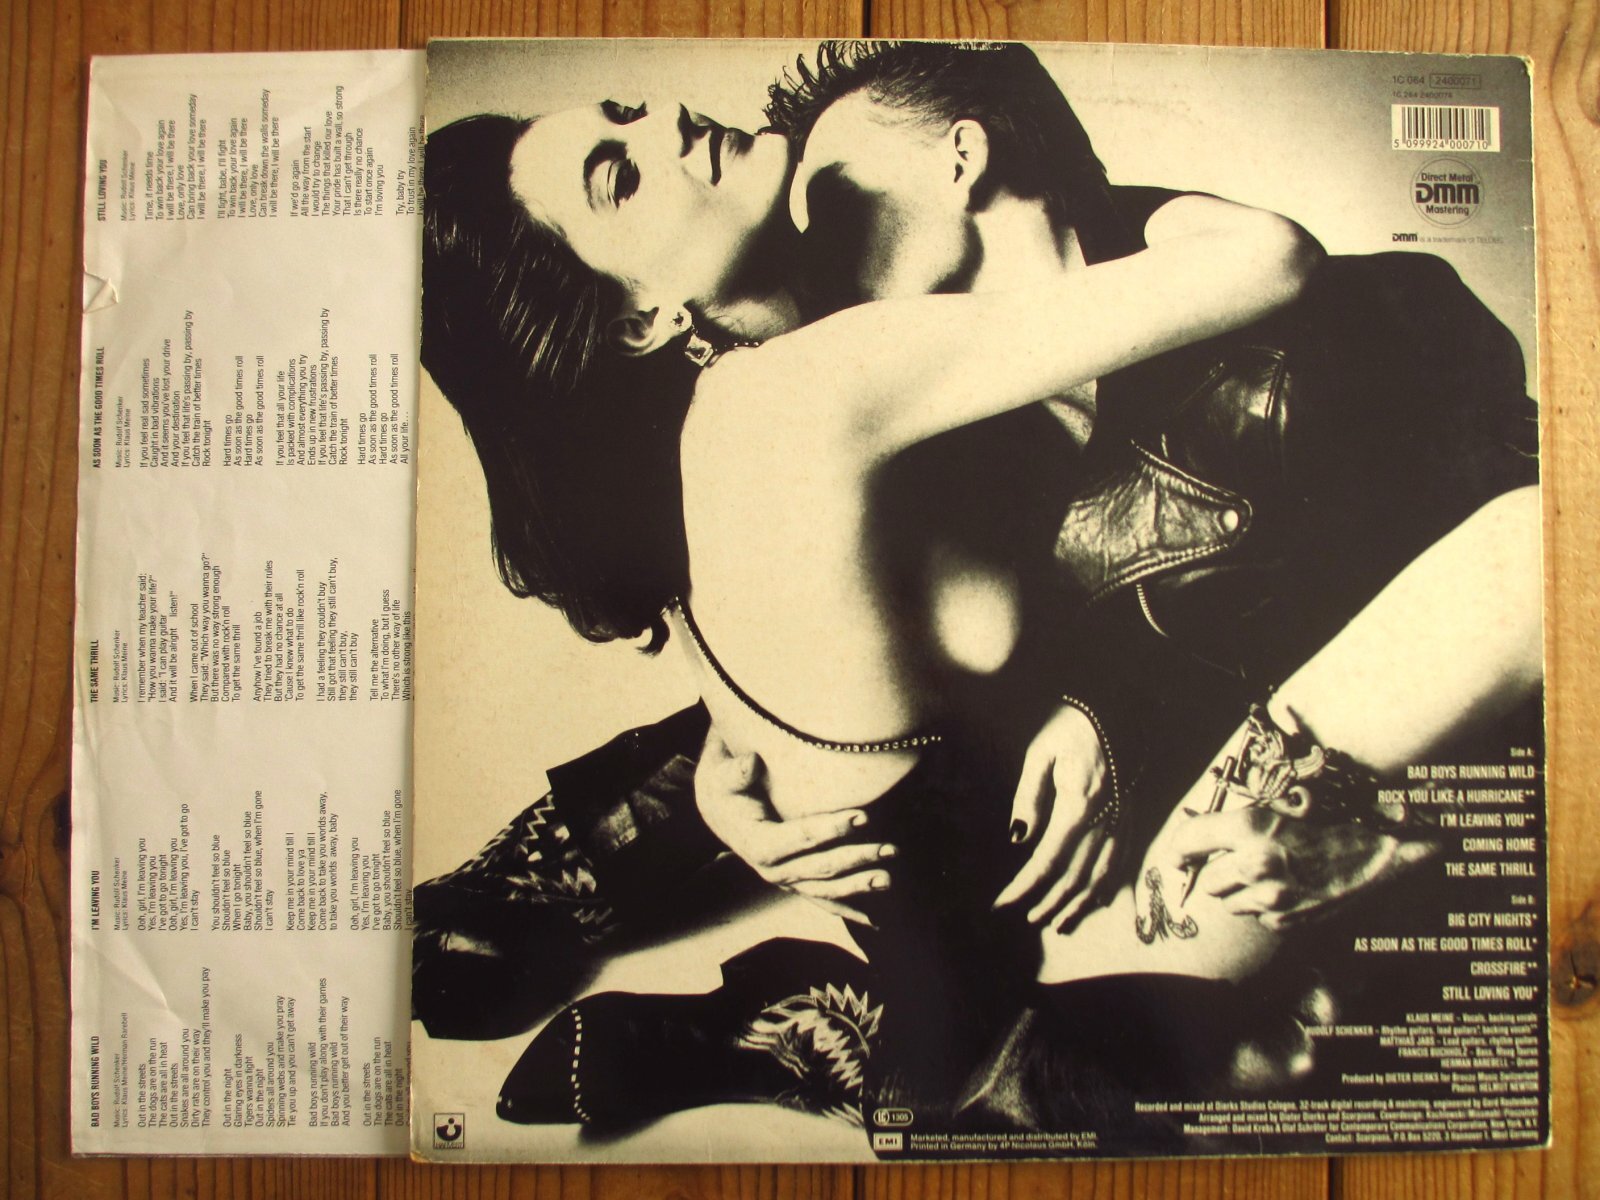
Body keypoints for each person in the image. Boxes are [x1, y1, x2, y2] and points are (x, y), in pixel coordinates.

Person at [415, 41, 1540, 1141]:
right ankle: (831, 1030)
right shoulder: (792, 397)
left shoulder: (777, 396)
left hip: (1005, 936)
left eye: (624, 109)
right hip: (1053, 999)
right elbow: (1265, 259)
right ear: (643, 319)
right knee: (1531, 545)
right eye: (617, 174)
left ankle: (782, 1009)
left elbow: (841, 626)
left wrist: (734, 761)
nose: (664, 120)